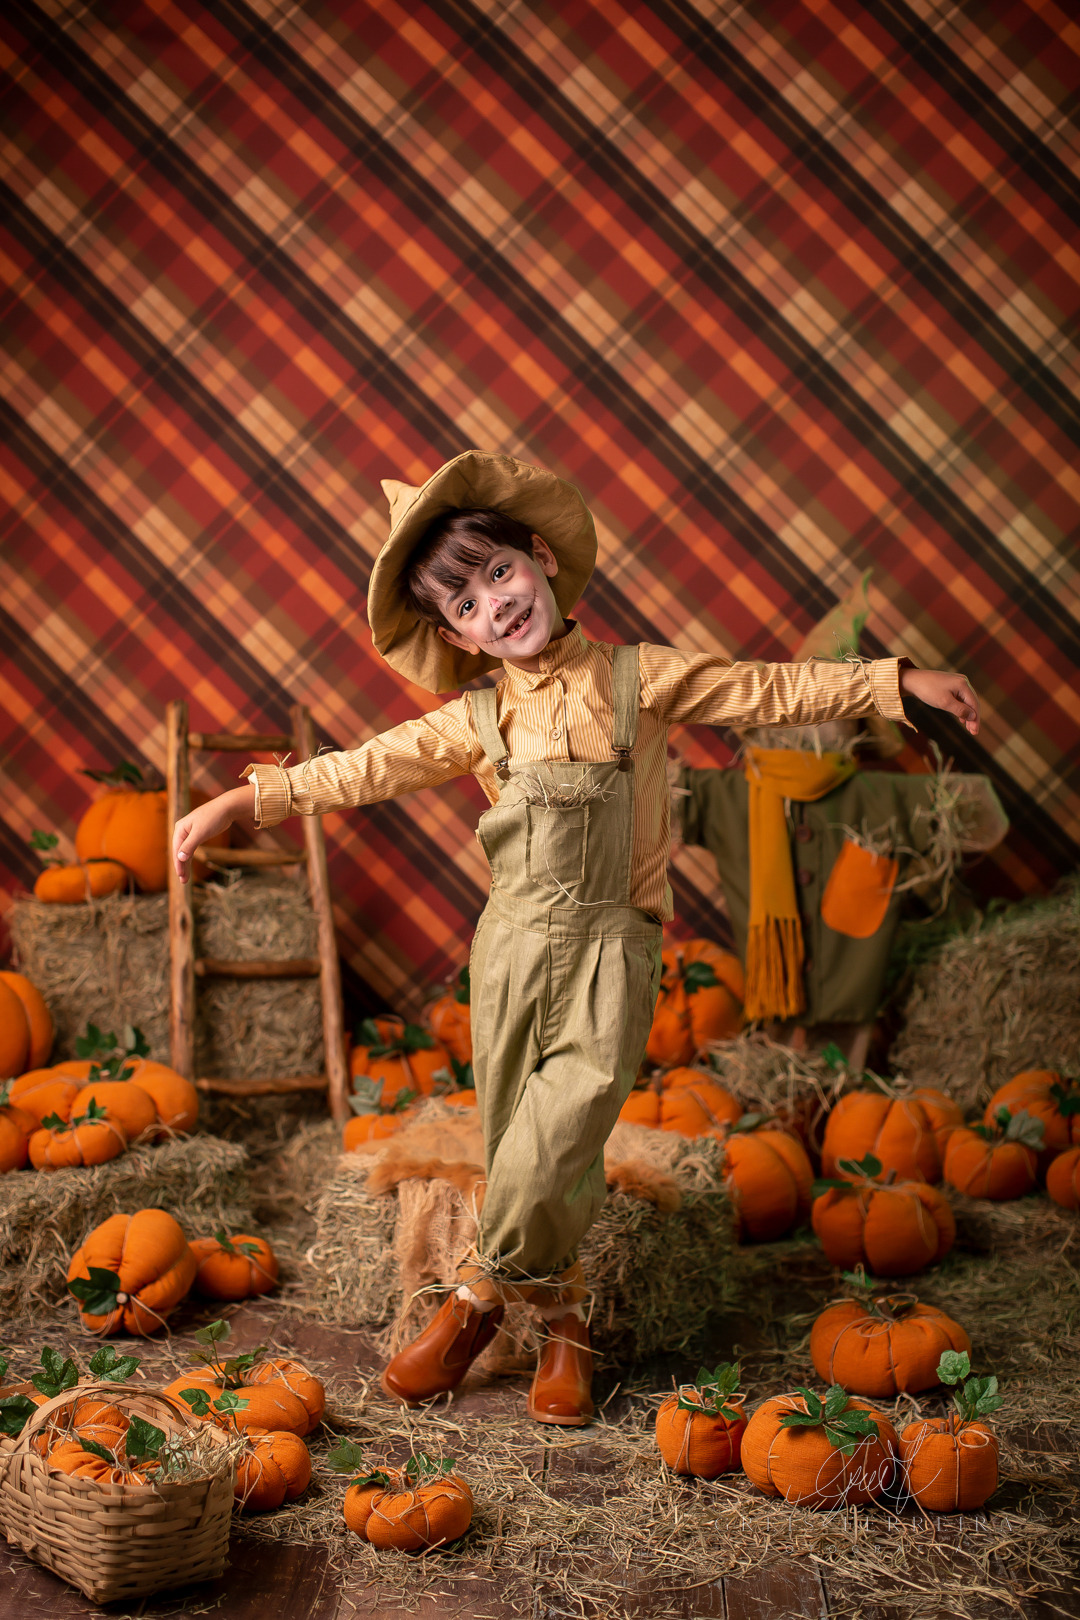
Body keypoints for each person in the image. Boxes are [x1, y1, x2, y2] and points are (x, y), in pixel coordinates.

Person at [172, 450, 979, 1427]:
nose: (494, 605)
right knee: (530, 1149)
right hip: (509, 954)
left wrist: (898, 683)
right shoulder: (477, 720)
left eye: (499, 573)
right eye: (465, 603)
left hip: (611, 952)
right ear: (453, 634)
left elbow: (772, 690)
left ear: (542, 557)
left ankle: (473, 1299)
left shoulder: (646, 679)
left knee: (558, 1132)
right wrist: (241, 798)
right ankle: (564, 1326)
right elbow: (365, 768)